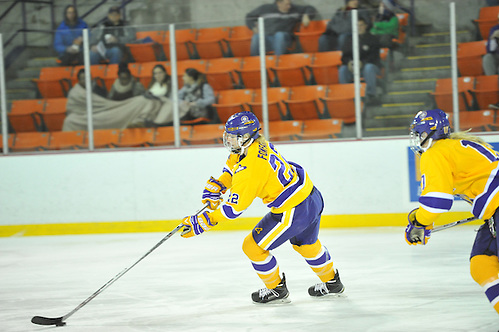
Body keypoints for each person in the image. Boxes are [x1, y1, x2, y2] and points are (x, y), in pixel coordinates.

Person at [180, 111, 345, 303]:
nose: (230, 141)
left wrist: (204, 220)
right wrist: (221, 183)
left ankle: (276, 290)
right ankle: (333, 283)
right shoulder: (258, 143)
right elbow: (234, 164)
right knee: (307, 245)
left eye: (235, 137)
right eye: (229, 136)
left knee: (252, 247)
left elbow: (233, 210)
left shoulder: (251, 169)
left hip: (293, 210)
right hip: (311, 197)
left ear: (246, 136)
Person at [405, 108, 499, 316]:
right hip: (494, 215)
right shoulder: (456, 146)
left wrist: (419, 222)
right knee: (481, 261)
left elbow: (436, 203)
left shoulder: (435, 152)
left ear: (426, 132)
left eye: (417, 133)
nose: (416, 140)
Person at [245, 0, 317, 56]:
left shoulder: (294, 9)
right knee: (257, 37)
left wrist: (306, 15)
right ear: (278, 3)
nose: (289, 6)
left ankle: (278, 61)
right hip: (267, 38)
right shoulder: (265, 8)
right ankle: (255, 63)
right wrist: (253, 28)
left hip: (286, 38)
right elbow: (249, 17)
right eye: (286, 4)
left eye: (290, 3)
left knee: (279, 35)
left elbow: (310, 8)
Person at [339, 17, 381, 105]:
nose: (359, 27)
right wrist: (348, 63)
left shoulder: (372, 38)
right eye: (357, 25)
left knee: (368, 68)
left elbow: (374, 56)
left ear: (365, 26)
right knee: (343, 69)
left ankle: (371, 95)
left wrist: (363, 62)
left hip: (370, 67)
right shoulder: (349, 40)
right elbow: (344, 56)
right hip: (354, 68)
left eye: (361, 25)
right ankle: (347, 95)